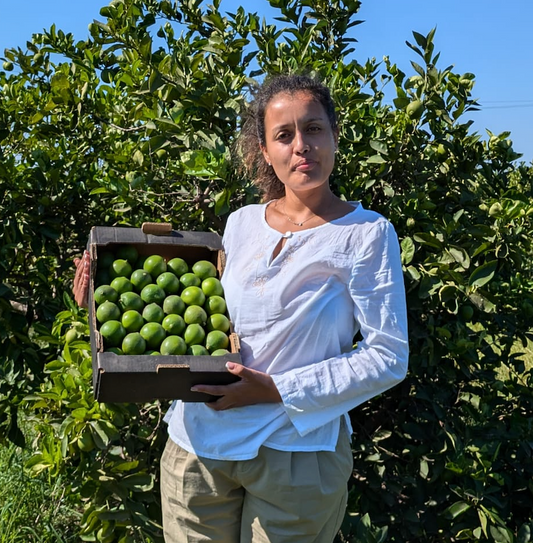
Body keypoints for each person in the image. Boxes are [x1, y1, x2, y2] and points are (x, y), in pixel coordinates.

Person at [74, 74, 409, 543]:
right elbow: (203, 312)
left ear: (334, 135)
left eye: (313, 129)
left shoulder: (367, 233)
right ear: (266, 150)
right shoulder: (241, 223)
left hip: (296, 454)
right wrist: (98, 296)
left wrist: (276, 390)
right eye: (284, 135)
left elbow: (387, 357)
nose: (301, 147)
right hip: (199, 445)